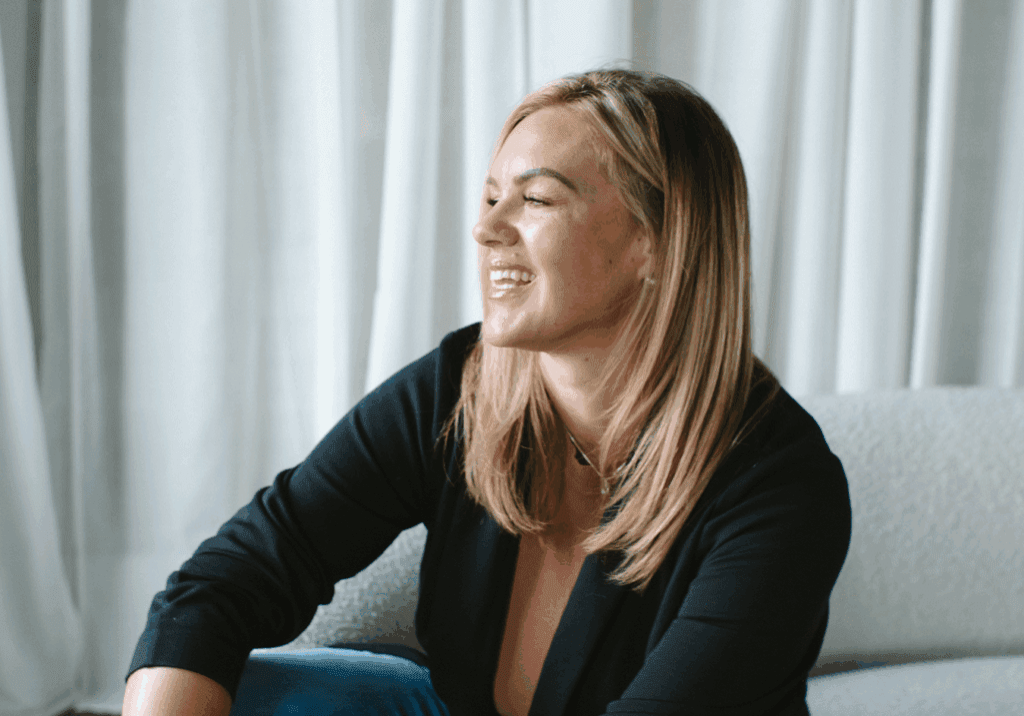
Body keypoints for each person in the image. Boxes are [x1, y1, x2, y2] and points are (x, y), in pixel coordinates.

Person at [123, 69, 851, 716]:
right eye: (492, 197)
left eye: (534, 199)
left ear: (655, 244)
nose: (485, 229)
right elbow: (225, 583)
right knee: (212, 684)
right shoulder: (457, 388)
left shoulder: (782, 488)